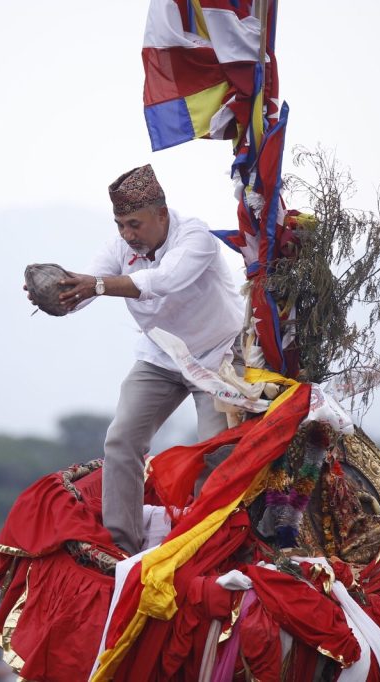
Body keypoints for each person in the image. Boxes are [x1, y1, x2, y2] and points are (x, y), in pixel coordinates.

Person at [51, 164, 243, 556]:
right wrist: (59, 295)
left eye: (134, 224)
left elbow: (163, 282)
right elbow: (87, 289)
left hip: (217, 359)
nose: (127, 235)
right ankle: (121, 546)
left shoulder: (196, 237)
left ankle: (209, 546)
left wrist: (99, 285)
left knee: (213, 452)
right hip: (160, 357)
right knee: (121, 439)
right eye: (121, 225)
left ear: (161, 214)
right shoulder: (120, 248)